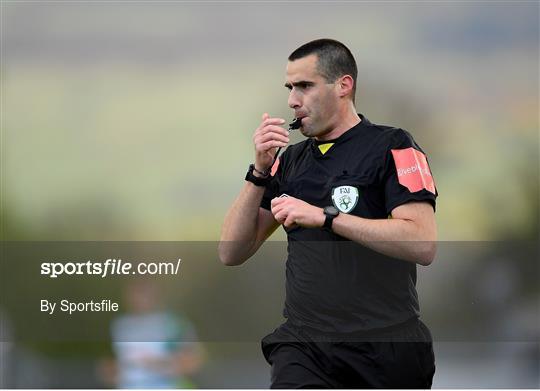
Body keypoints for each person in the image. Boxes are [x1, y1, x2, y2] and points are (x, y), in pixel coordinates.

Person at [218, 38, 438, 388]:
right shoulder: (289, 161)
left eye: (305, 86)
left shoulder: (393, 146)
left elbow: (422, 243)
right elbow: (231, 251)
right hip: (306, 347)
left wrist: (327, 217)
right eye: (290, 87)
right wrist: (259, 171)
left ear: (343, 86)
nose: (292, 100)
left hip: (388, 349)